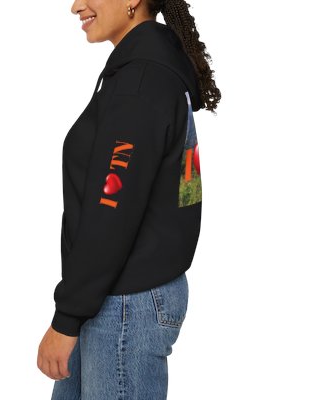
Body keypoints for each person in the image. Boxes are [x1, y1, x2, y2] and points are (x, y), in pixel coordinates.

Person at [37, 0, 220, 397]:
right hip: (111, 295)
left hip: (125, 305)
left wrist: (66, 318)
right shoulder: (146, 72)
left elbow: (111, 210)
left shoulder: (141, 82)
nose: (76, 6)